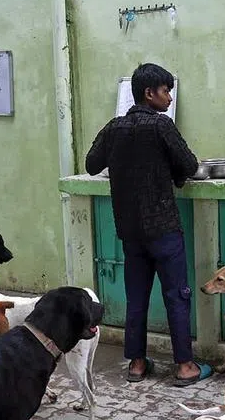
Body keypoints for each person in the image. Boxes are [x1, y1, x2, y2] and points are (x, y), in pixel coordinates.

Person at [85, 63, 212, 386]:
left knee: (137, 297)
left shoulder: (115, 128)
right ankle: (184, 366)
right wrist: (170, 170)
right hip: (164, 228)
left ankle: (138, 364)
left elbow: (91, 165)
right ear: (149, 93)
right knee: (176, 295)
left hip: (130, 231)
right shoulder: (161, 126)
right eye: (165, 91)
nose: (169, 97)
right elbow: (190, 164)